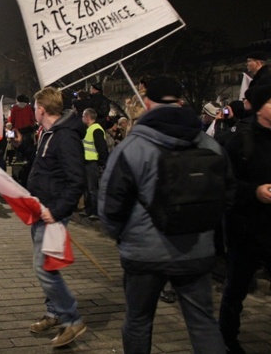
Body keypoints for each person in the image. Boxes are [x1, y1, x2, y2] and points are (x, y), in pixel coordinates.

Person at [98, 76, 231, 354]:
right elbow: (226, 195)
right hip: (196, 250)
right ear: (181, 102)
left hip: (144, 254)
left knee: (138, 321)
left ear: (147, 103)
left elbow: (111, 204)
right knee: (203, 325)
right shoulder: (208, 145)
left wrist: (120, 236)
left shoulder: (132, 147)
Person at [26, 86, 87, 348]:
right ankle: (54, 313)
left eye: (34, 107)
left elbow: (76, 180)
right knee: (47, 266)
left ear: (41, 109)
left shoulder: (64, 137)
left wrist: (57, 210)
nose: (33, 112)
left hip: (51, 213)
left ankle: (71, 318)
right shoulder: (49, 133)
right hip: (41, 210)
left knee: (45, 268)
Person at [219, 85, 271, 354]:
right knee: (237, 287)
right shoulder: (239, 138)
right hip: (245, 226)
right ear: (261, 106)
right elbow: (225, 184)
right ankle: (227, 339)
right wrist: (255, 191)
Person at [80, 108, 108, 219]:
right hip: (87, 162)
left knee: (93, 189)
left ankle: (95, 212)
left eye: (83, 116)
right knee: (88, 188)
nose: (82, 118)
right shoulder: (90, 129)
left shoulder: (96, 129)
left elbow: (102, 148)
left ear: (87, 117)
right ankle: (88, 210)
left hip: (93, 163)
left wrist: (102, 163)